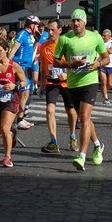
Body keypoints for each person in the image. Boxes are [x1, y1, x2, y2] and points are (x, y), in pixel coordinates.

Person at [53, 9, 109, 171]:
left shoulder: (95, 37)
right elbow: (56, 62)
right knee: (86, 120)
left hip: (90, 81)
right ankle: (97, 145)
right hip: (73, 83)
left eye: (79, 20)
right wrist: (71, 65)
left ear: (84, 22)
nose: (76, 23)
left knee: (84, 117)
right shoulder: (64, 39)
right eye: (73, 20)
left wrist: (98, 64)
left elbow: (105, 58)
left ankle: (82, 156)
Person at [0, 38, 27, 167]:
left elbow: (24, 81)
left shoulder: (14, 66)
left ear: (6, 50)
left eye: (0, 51)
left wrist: (15, 85)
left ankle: (7, 157)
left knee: (4, 128)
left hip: (11, 101)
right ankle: (12, 133)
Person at [38, 19, 79, 154]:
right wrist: (42, 82)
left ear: (60, 30)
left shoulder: (66, 45)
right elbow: (43, 66)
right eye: (48, 30)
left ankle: (73, 136)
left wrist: (68, 75)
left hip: (67, 82)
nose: (50, 33)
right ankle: (54, 142)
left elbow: (75, 63)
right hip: (51, 82)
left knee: (71, 110)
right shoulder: (43, 46)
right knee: (50, 110)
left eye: (53, 30)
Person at [8, 15, 41, 130]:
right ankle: (17, 119)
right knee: (22, 93)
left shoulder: (31, 36)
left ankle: (20, 118)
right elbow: (13, 50)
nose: (38, 28)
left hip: (28, 66)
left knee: (26, 93)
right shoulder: (22, 34)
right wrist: (8, 64)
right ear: (31, 25)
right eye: (37, 25)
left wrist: (37, 40)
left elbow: (33, 52)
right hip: (20, 66)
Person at [99, 29, 112, 105]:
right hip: (102, 64)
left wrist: (101, 47)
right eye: (102, 35)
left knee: (110, 84)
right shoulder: (100, 43)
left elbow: (111, 51)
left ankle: (104, 90)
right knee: (103, 81)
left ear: (110, 36)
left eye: (105, 36)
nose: (103, 37)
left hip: (111, 65)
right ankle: (105, 98)